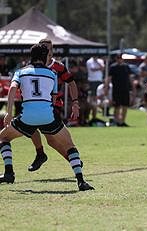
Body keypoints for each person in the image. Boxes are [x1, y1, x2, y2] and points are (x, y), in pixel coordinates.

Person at [0, 43, 94, 191]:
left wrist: (9, 112)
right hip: (48, 116)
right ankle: (81, 181)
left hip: (27, 117)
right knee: (69, 145)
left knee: (3, 138)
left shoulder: (20, 72)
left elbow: (12, 89)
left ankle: (9, 172)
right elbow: (53, 98)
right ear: (45, 58)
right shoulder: (52, 74)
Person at [27, 39, 80, 172]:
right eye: (45, 48)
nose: (48, 51)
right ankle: (70, 159)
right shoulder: (32, 66)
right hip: (36, 105)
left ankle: (42, 154)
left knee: (45, 135)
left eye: (50, 49)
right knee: (42, 135)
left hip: (53, 105)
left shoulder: (59, 67)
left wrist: (75, 102)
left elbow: (72, 83)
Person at [105, 53, 132, 127]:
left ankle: (123, 121)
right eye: (118, 58)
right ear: (116, 59)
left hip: (125, 89)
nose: (120, 59)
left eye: (121, 58)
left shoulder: (126, 67)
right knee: (117, 106)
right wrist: (106, 88)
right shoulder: (113, 67)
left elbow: (130, 78)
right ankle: (117, 121)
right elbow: (109, 78)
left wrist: (133, 87)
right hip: (116, 90)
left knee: (125, 106)